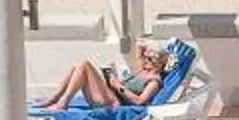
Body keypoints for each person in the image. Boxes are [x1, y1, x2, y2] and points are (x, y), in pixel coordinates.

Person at [36, 41, 173, 112]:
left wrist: (118, 86)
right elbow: (139, 46)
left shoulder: (154, 81)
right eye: (147, 57)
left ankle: (63, 103)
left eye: (150, 59)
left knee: (84, 65)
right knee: (77, 65)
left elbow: (139, 101)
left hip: (113, 102)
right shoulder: (143, 70)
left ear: (158, 63)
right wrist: (113, 79)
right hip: (109, 94)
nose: (145, 60)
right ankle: (56, 98)